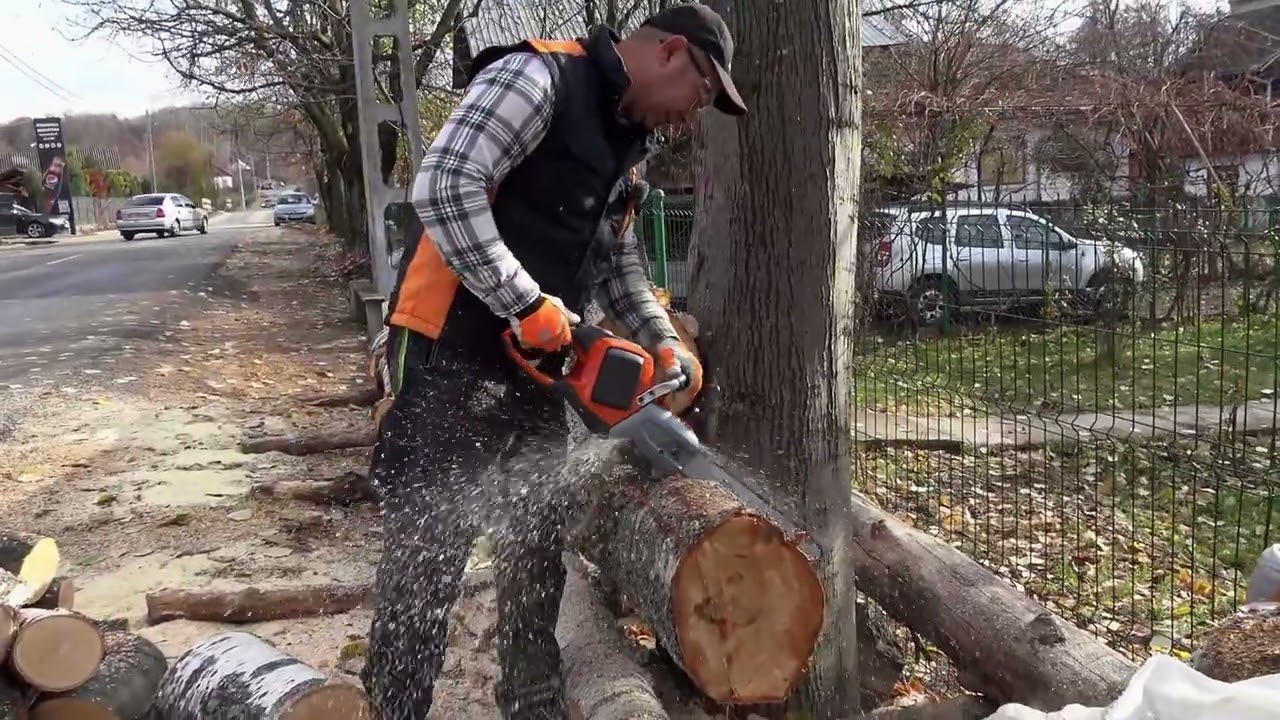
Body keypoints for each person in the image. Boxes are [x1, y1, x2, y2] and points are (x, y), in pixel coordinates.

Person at [362, 4, 746, 719]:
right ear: (668, 54)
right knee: (430, 558)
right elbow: (443, 187)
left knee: (534, 554)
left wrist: (661, 337)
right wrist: (525, 301)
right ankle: (394, 708)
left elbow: (615, 258)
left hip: (538, 364)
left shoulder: (627, 142)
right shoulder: (538, 77)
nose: (693, 115)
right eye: (698, 93)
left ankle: (532, 705)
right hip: (450, 345)